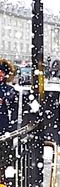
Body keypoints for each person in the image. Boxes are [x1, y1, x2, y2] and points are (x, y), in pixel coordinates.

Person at [0, 58, 18, 186]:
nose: (0, 74)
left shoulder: (10, 90)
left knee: (4, 161)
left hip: (4, 131)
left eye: (2, 72)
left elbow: (14, 112)